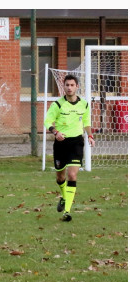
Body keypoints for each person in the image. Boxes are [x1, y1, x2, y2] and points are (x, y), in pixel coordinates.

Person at [43, 74, 95, 222]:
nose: (69, 87)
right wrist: (56, 132)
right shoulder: (57, 105)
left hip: (76, 143)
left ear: (77, 86)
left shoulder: (84, 104)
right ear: (64, 87)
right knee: (60, 177)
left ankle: (67, 211)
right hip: (61, 143)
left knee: (72, 175)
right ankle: (64, 197)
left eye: (72, 85)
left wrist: (90, 136)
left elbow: (86, 121)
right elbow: (47, 121)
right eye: (67, 85)